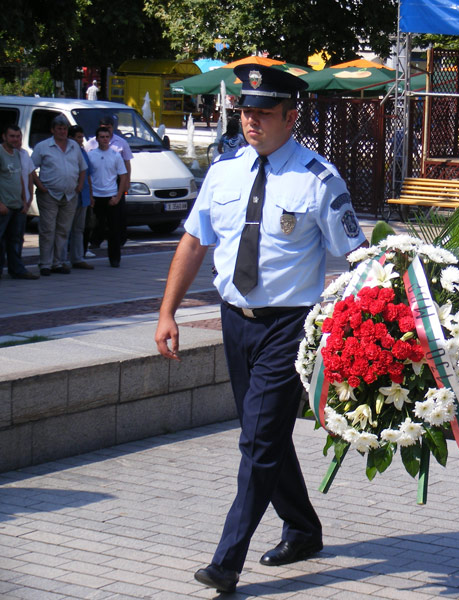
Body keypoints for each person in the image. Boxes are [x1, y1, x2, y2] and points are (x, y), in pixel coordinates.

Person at [154, 64, 367, 595]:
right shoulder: (224, 172)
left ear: (292, 117)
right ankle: (303, 527)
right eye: (247, 111)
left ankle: (227, 561)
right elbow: (193, 241)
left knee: (257, 440)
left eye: (264, 112)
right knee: (264, 437)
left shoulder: (320, 178)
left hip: (289, 326)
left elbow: (357, 256)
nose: (252, 121)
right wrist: (167, 311)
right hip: (235, 322)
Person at [31, 114, 87, 276]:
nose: (62, 132)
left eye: (64, 129)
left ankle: (58, 262)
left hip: (70, 195)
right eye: (59, 129)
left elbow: (82, 168)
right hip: (49, 195)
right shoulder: (43, 147)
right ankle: (45, 264)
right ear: (52, 130)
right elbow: (30, 168)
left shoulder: (74, 146)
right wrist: (40, 186)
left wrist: (80, 185)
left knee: (63, 230)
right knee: (48, 230)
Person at [85, 115, 132, 248]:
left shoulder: (121, 143)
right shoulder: (91, 144)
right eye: (103, 130)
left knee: (117, 216)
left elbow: (127, 163)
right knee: (96, 218)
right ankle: (95, 240)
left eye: (109, 129)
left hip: (115, 180)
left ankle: (119, 241)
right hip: (97, 183)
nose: (106, 136)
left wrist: (127, 181)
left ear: (113, 128)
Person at [0, 124, 38, 280]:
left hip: (17, 205)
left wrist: (25, 200)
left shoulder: (17, 153)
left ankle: (17, 270)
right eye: (12, 136)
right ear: (4, 137)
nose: (15, 139)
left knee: (16, 240)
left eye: (17, 136)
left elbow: (20, 179)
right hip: (4, 205)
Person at [65, 125, 94, 270]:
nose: (81, 140)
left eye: (82, 137)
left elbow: (88, 174)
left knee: (79, 228)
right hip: (71, 194)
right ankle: (61, 259)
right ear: (70, 138)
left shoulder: (82, 151)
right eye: (78, 137)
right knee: (65, 229)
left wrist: (90, 195)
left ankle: (77, 258)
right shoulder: (68, 152)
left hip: (84, 196)